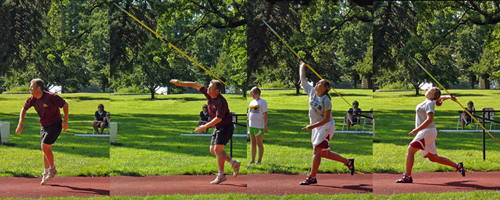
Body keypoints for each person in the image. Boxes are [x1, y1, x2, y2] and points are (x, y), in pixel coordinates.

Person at [169, 79, 241, 184]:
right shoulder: (208, 94)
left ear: (217, 90)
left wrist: (204, 126)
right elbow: (195, 84)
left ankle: (221, 175)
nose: (208, 88)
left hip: (226, 127)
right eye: (208, 86)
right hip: (218, 127)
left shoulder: (221, 101)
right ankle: (233, 163)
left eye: (211, 87)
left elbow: (219, 118)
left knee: (217, 150)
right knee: (213, 150)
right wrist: (180, 83)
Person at [298, 61, 355, 185]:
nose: (316, 83)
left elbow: (326, 119)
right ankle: (348, 162)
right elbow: (303, 81)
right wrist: (302, 66)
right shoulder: (312, 92)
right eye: (317, 82)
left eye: (320, 83)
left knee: (317, 151)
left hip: (326, 126)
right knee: (324, 153)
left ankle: (312, 177)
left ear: (324, 89)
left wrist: (311, 126)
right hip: (317, 127)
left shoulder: (326, 100)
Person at [396, 87, 465, 183]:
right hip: (428, 132)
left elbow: (430, 119)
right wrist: (448, 97)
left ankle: (407, 176)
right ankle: (457, 166)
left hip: (427, 131)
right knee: (433, 158)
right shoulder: (429, 101)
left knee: (410, 150)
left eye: (429, 89)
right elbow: (438, 99)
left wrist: (417, 129)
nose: (427, 90)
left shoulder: (429, 103)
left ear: (432, 93)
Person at [15, 79, 69, 185]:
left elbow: (65, 105)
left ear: (38, 88)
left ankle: (52, 169)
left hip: (55, 125)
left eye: (31, 86)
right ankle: (45, 172)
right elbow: (24, 109)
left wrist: (65, 120)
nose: (30, 88)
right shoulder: (33, 99)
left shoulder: (51, 97)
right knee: (46, 149)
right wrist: (20, 123)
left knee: (44, 146)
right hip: (44, 126)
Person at [247, 86, 268, 164]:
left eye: (254, 94)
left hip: (259, 125)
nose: (253, 96)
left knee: (259, 143)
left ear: (258, 94)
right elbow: (249, 112)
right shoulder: (252, 102)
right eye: (252, 94)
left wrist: (265, 125)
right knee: (252, 143)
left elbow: (265, 113)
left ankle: (259, 160)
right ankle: (252, 160)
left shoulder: (262, 102)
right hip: (251, 125)